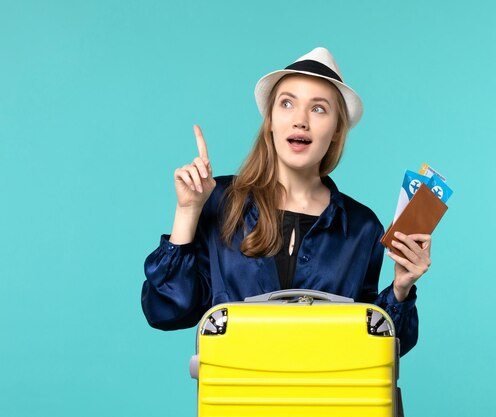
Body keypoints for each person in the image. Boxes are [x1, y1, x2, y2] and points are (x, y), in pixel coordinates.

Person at [141, 47, 432, 356]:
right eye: (287, 103)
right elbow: (167, 312)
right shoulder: (221, 200)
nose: (300, 121)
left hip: (327, 400)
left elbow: (373, 349)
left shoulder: (361, 227)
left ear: (336, 130)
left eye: (318, 109)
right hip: (237, 397)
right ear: (270, 120)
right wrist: (188, 211)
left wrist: (401, 288)